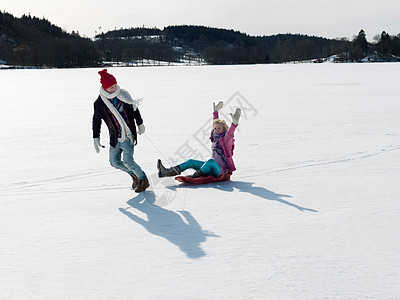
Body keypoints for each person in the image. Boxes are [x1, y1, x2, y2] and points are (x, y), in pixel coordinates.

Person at [92, 69, 149, 192]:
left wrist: (140, 124)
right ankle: (134, 175)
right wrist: (96, 138)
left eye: (115, 85)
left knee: (128, 161)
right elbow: (96, 121)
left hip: (127, 136)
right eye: (111, 87)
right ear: (104, 87)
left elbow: (135, 110)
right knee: (114, 162)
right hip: (115, 137)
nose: (114, 89)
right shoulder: (100, 103)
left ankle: (143, 179)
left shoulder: (124, 95)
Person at [157, 101, 241, 179]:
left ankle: (196, 175)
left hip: (220, 170)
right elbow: (215, 123)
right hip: (210, 166)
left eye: (219, 128)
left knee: (210, 161)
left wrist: (234, 124)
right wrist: (215, 112)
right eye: (215, 128)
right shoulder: (215, 137)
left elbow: (230, 133)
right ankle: (167, 172)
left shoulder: (226, 139)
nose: (217, 130)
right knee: (191, 162)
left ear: (224, 129)